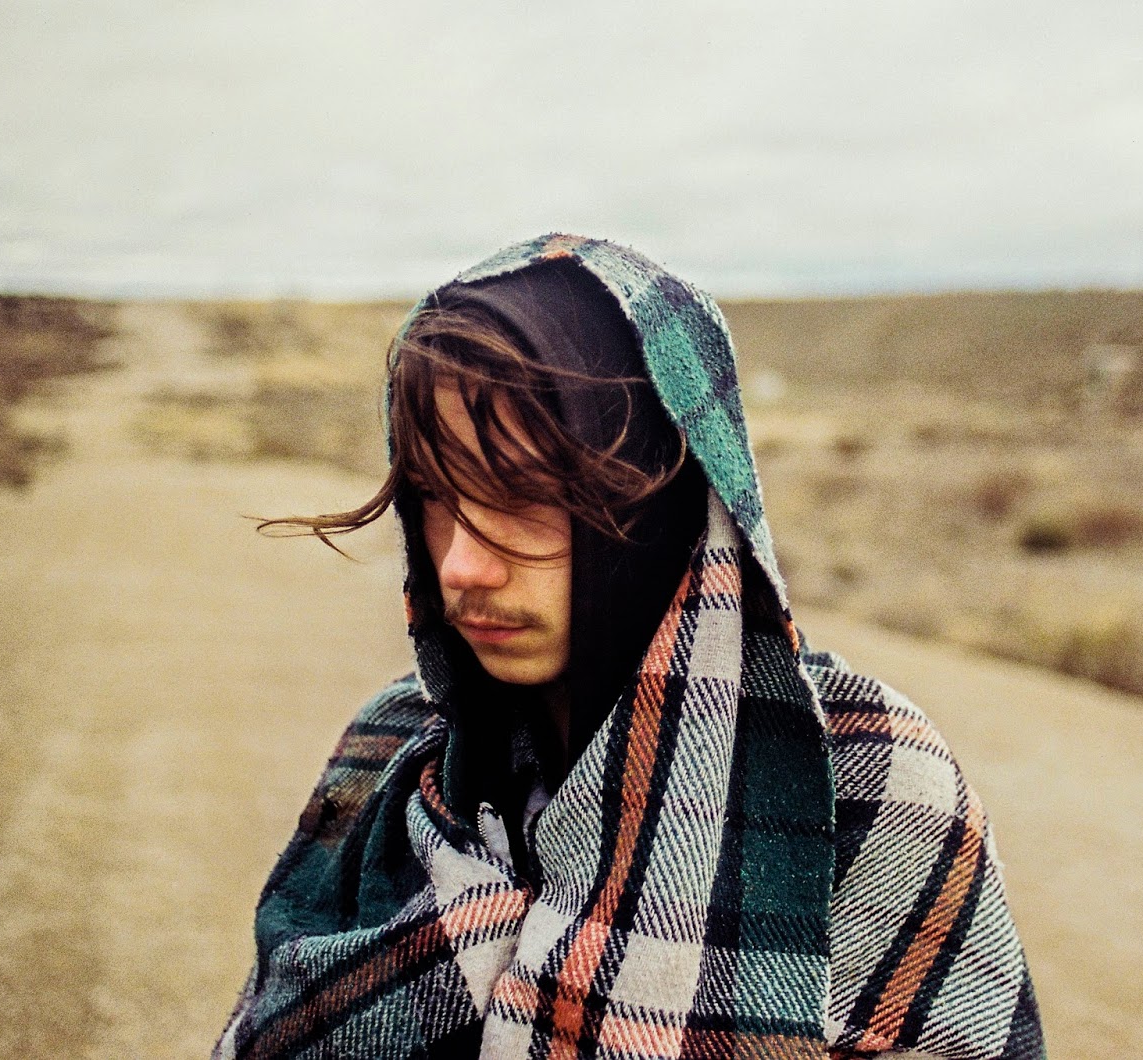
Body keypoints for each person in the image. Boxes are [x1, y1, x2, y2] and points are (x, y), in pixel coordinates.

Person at [216, 234, 1046, 1059]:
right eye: (435, 496)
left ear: (663, 498)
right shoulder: (399, 745)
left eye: (525, 494)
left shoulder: (871, 780)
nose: (461, 567)